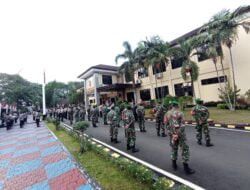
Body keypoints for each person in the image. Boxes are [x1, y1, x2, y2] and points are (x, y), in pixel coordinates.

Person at [165, 100, 195, 174]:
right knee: (185, 149)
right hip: (180, 135)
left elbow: (166, 125)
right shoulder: (180, 113)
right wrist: (177, 134)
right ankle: (186, 168)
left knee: (174, 148)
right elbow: (182, 125)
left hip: (172, 135)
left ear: (171, 105)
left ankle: (174, 165)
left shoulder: (167, 114)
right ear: (177, 105)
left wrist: (172, 134)